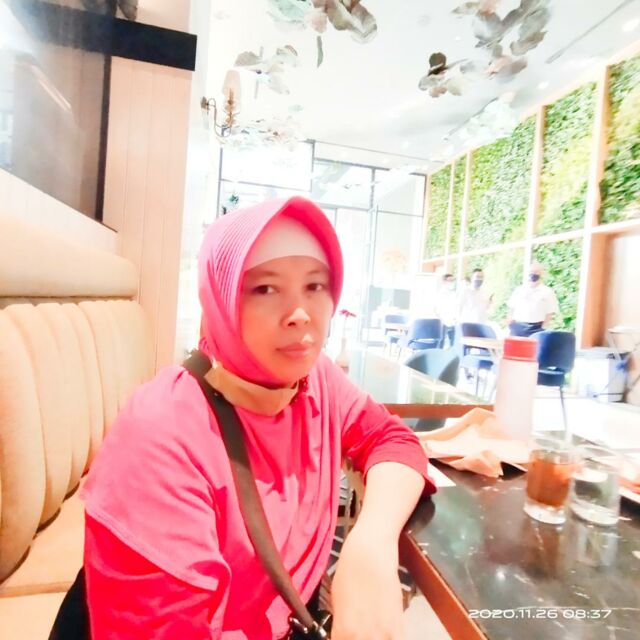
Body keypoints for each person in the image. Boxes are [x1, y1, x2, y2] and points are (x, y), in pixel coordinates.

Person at [80, 196, 435, 640]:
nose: (300, 314)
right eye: (265, 289)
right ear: (221, 300)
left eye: (315, 285)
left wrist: (371, 545)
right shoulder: (161, 437)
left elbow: (390, 438)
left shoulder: (315, 380)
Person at [507, 262, 559, 336]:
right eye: (531, 271)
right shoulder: (519, 290)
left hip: (536, 328)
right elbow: (511, 308)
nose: (533, 274)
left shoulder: (548, 292)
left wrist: (543, 328)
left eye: (536, 272)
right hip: (517, 326)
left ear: (542, 274)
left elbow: (550, 312)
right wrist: (510, 323)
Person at [435, 272, 457, 347]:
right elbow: (436, 309)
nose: (452, 282)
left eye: (453, 280)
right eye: (450, 280)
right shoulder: (440, 294)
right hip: (442, 322)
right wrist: (441, 320)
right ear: (444, 282)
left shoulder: (454, 294)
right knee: (440, 343)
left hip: (453, 322)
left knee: (453, 343)